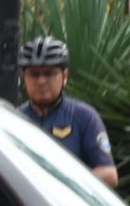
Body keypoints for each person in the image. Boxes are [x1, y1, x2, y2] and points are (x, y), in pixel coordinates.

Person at [17, 36, 119, 189]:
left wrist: (62, 185)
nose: (41, 81)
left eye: (49, 73)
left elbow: (109, 175)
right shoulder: (15, 119)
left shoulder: (84, 117)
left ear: (65, 76)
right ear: (24, 77)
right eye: (34, 74)